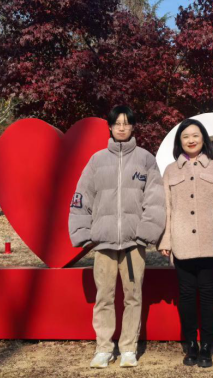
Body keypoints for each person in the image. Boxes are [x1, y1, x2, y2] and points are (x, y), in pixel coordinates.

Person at [68, 105, 165, 369]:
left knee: (133, 296)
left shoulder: (145, 159)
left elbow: (156, 199)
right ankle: (103, 349)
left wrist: (146, 233)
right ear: (110, 127)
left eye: (126, 123)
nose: (122, 127)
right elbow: (82, 196)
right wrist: (82, 233)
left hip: (134, 243)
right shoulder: (97, 160)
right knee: (104, 296)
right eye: (117, 123)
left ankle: (128, 348)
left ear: (133, 127)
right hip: (104, 242)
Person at [157, 119, 213, 368]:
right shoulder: (170, 171)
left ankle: (207, 345)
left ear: (203, 139)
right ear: (179, 141)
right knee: (187, 295)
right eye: (186, 136)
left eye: (196, 135)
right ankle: (191, 343)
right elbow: (166, 208)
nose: (191, 140)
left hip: (210, 242)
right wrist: (165, 240)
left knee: (209, 295)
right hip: (181, 243)